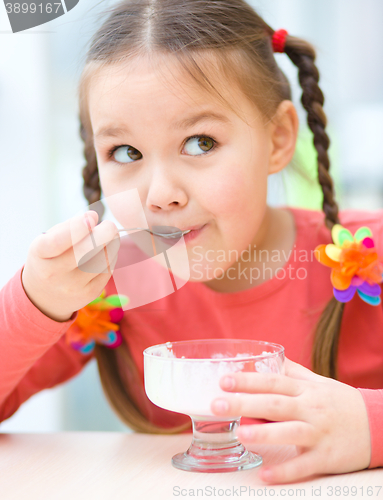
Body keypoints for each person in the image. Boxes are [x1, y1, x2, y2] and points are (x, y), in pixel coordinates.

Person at [1, 0, 383, 485]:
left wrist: (370, 426)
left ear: (280, 137)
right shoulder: (114, 281)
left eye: (200, 142)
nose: (161, 195)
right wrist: (36, 301)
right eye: (126, 152)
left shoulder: (370, 256)